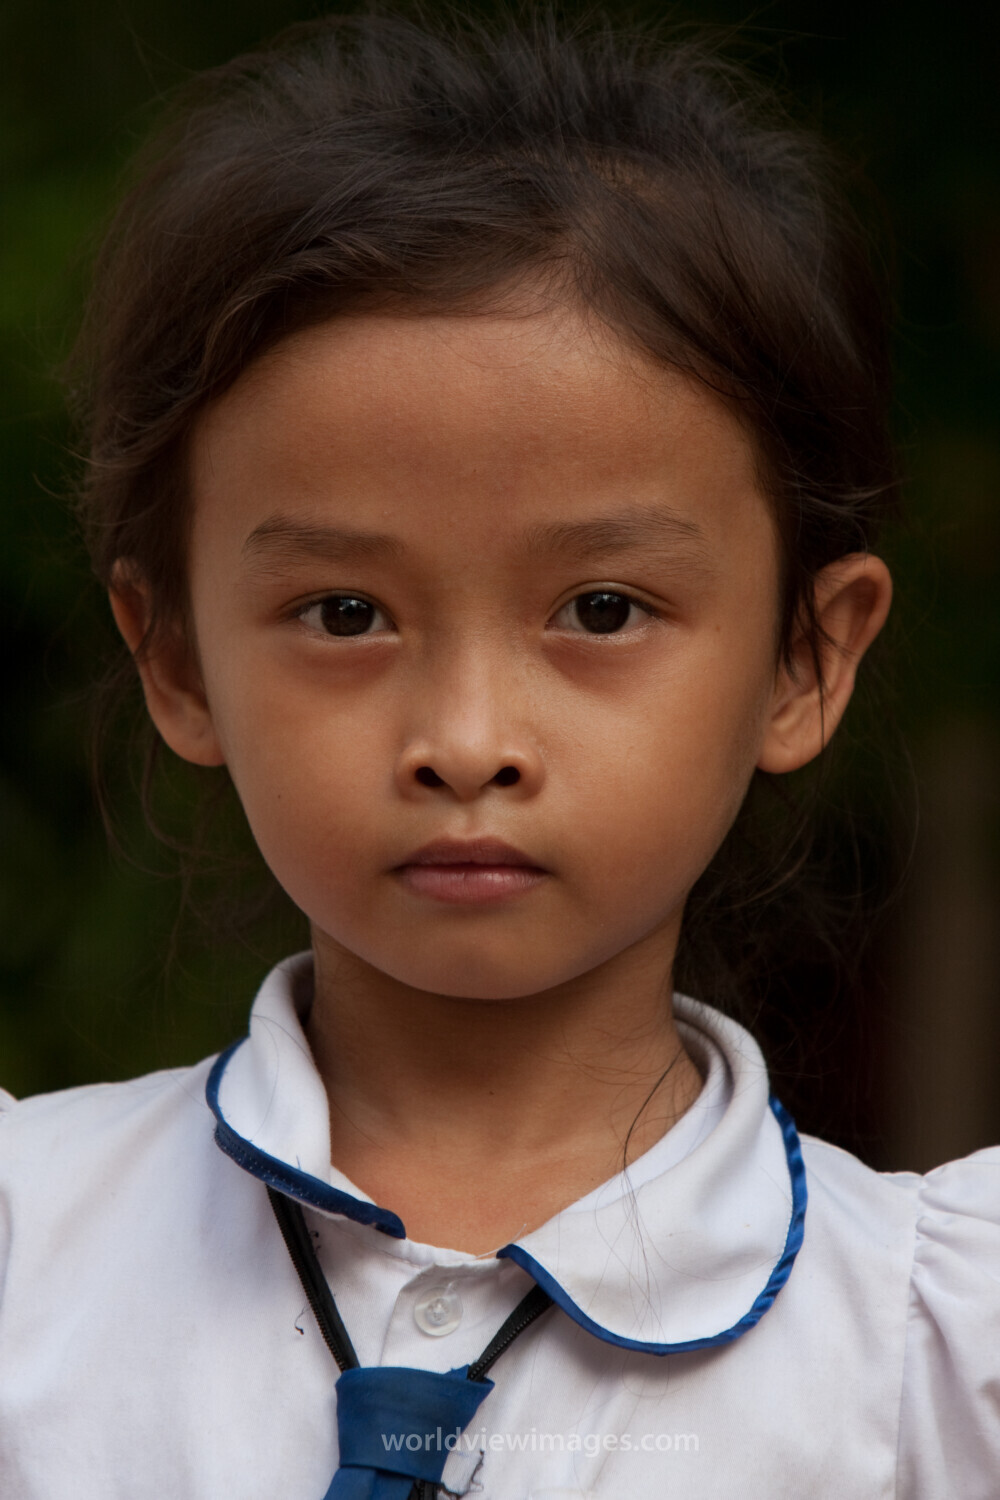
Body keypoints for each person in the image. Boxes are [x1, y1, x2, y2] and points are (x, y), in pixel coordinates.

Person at [0, 12, 996, 1498]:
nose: (467, 741)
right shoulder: (28, 1243)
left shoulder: (932, 1356)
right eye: (345, 613)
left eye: (601, 610)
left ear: (806, 657)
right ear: (177, 660)